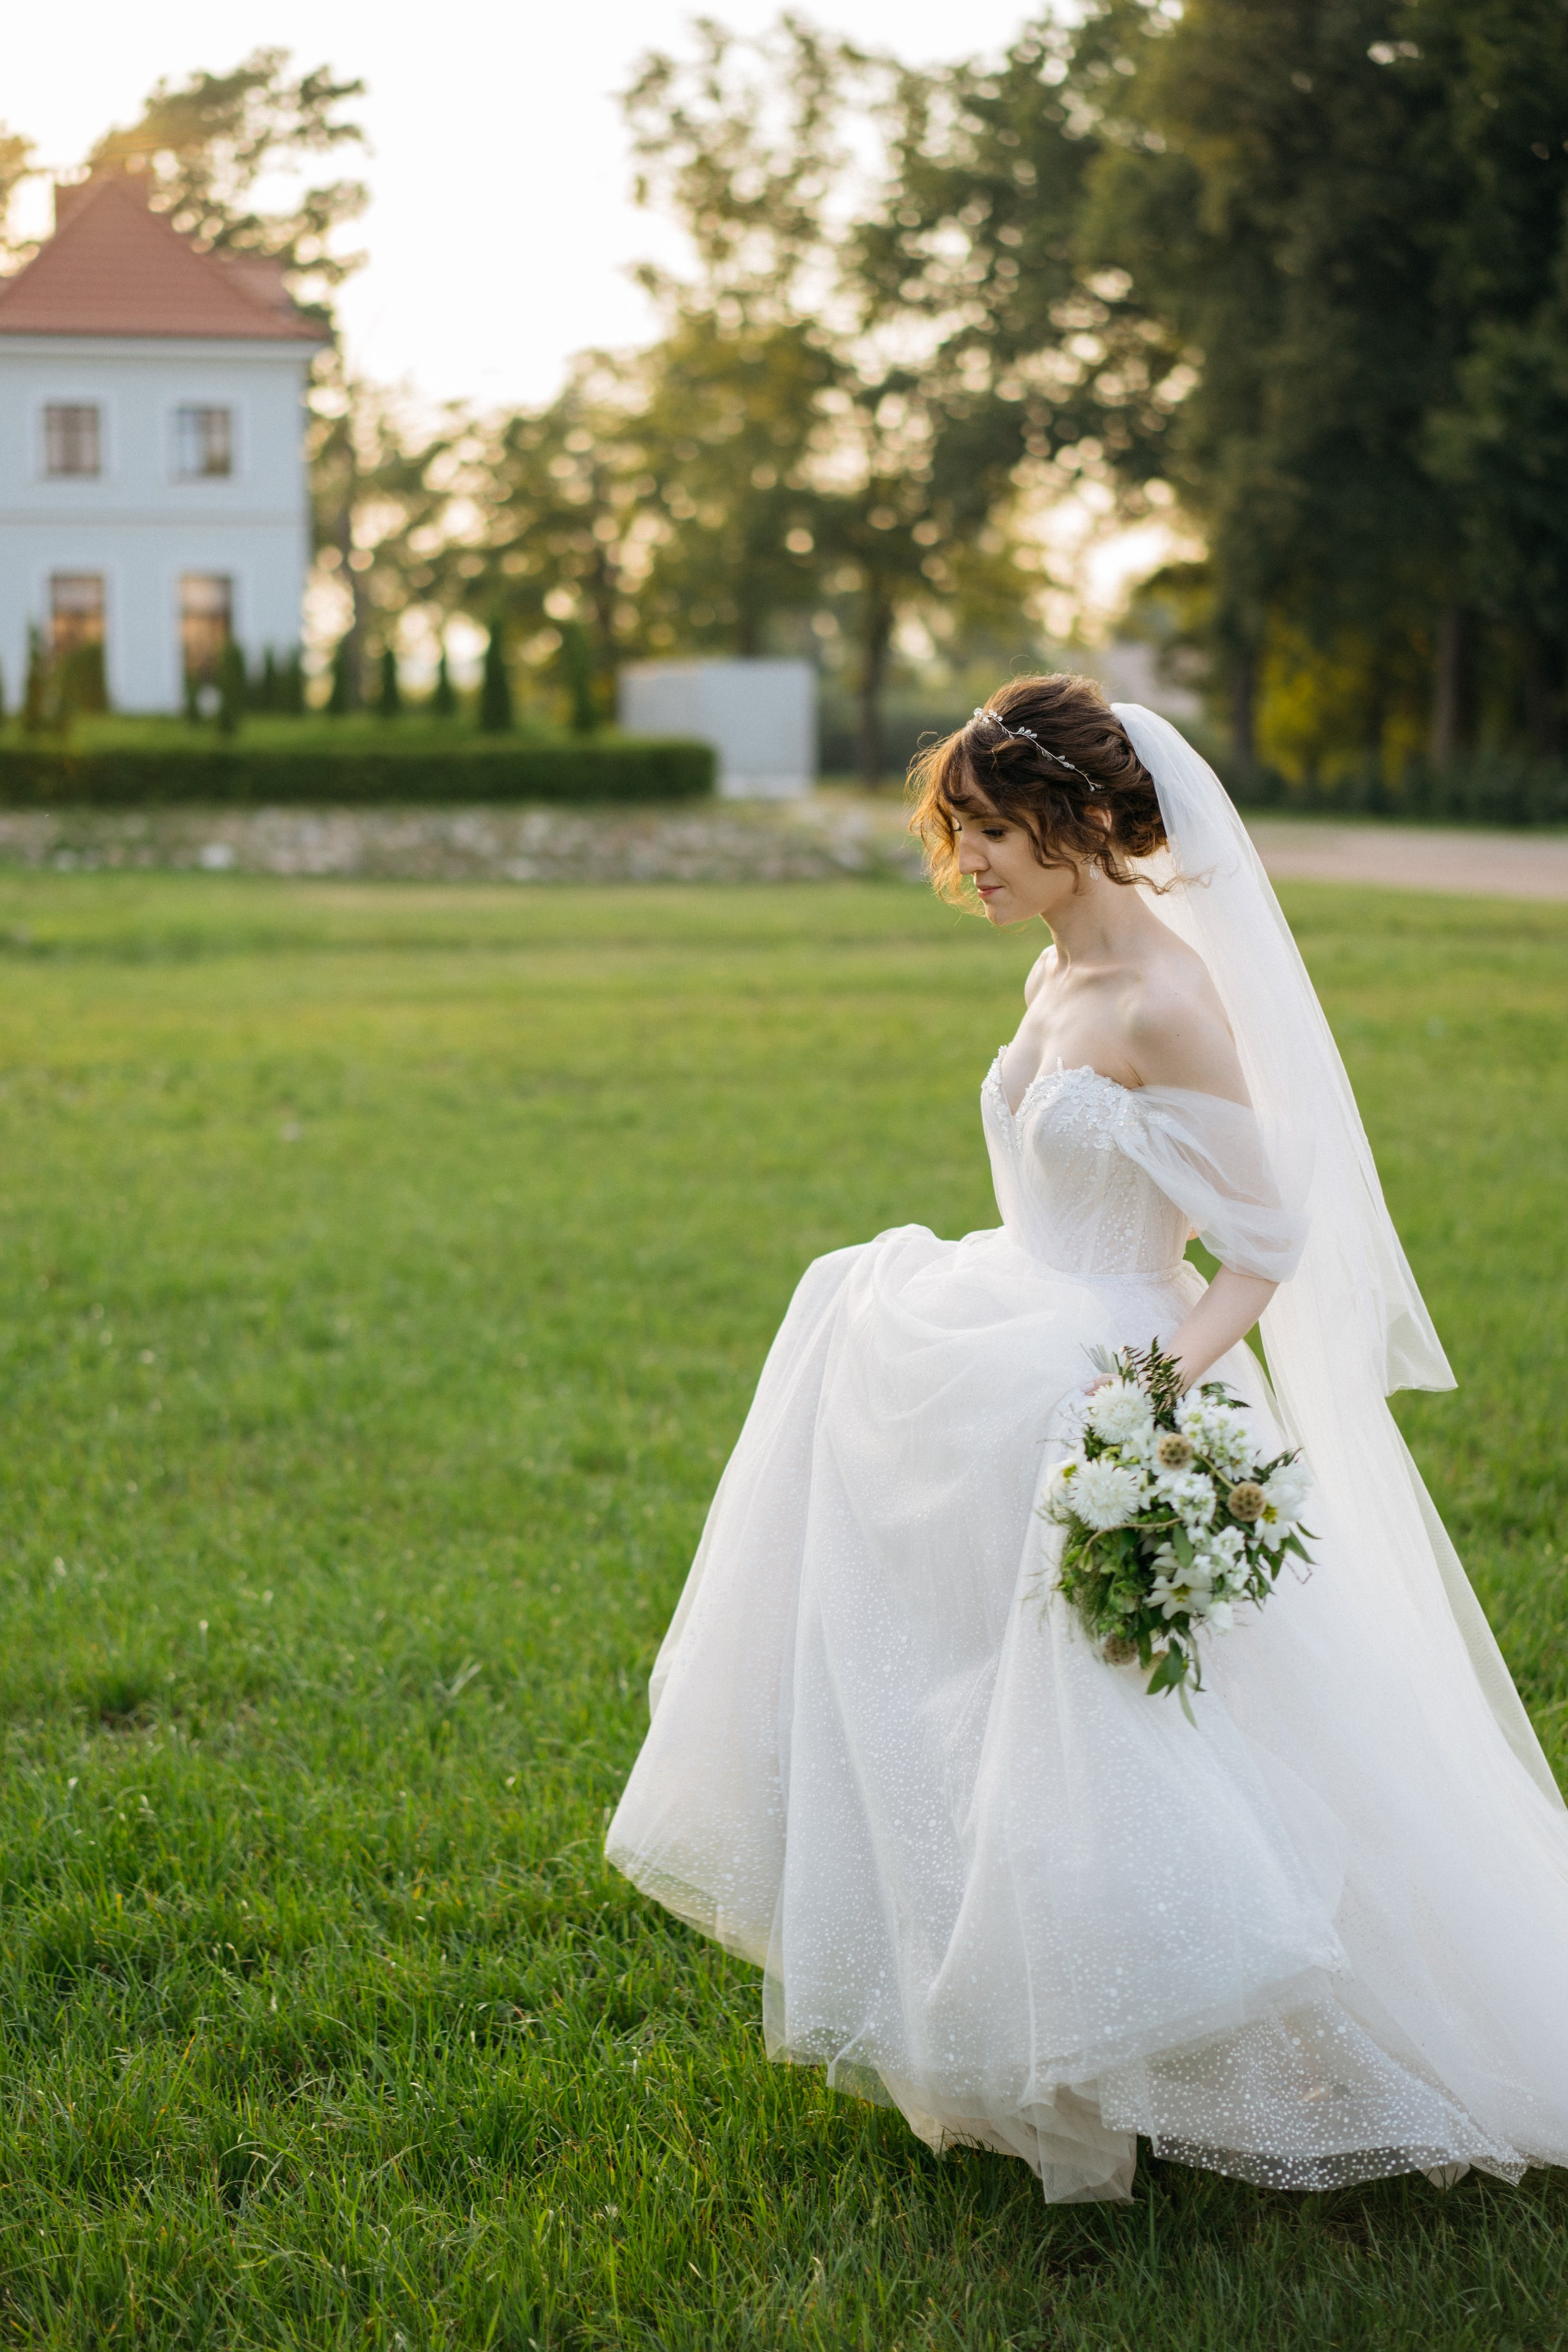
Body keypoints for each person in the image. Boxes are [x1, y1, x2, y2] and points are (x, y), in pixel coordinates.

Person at [606, 676, 1568, 2203]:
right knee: (986, 1712)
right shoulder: (1053, 968)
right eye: (959, 833)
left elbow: (1259, 1245)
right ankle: (1044, 2043)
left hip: (1111, 1366)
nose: (966, 862)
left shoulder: (1166, 997)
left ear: (1073, 821)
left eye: (986, 831)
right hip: (1001, 1332)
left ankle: (1296, 2030)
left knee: (1173, 1725)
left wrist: (1145, 1391)